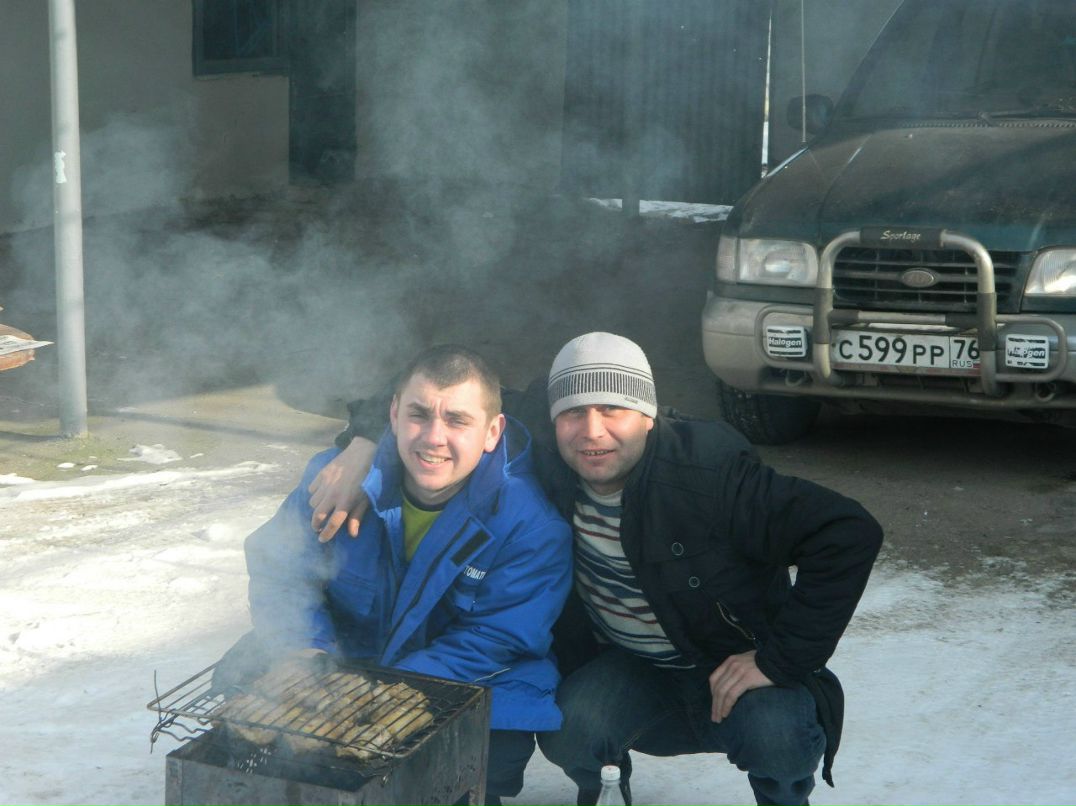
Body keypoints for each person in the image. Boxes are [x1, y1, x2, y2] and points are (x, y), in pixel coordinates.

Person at [311, 332, 884, 806]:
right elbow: (440, 387)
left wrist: (778, 659)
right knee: (571, 725)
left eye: (614, 410)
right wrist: (364, 442)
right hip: (631, 666)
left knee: (779, 736)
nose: (592, 431)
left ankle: (783, 797)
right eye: (574, 413)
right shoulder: (552, 442)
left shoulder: (711, 475)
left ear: (648, 416)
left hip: (731, 661)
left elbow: (848, 532)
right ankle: (607, 791)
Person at [229, 344, 573, 806]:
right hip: (348, 654)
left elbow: (497, 637)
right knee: (238, 679)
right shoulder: (334, 481)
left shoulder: (529, 525)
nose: (433, 437)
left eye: (457, 420)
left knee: (489, 746)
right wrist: (304, 649)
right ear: (392, 414)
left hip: (458, 675)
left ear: (492, 432)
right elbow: (281, 569)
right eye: (418, 415)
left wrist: (379, 693)